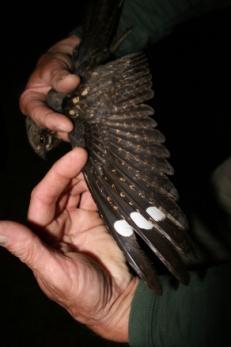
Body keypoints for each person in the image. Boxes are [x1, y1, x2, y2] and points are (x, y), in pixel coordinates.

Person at [1, 0, 231, 346]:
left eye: (48, 138)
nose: (51, 143)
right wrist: (78, 42)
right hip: (95, 56)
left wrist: (123, 312)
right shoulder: (75, 111)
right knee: (194, 231)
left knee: (177, 230)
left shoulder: (82, 123)